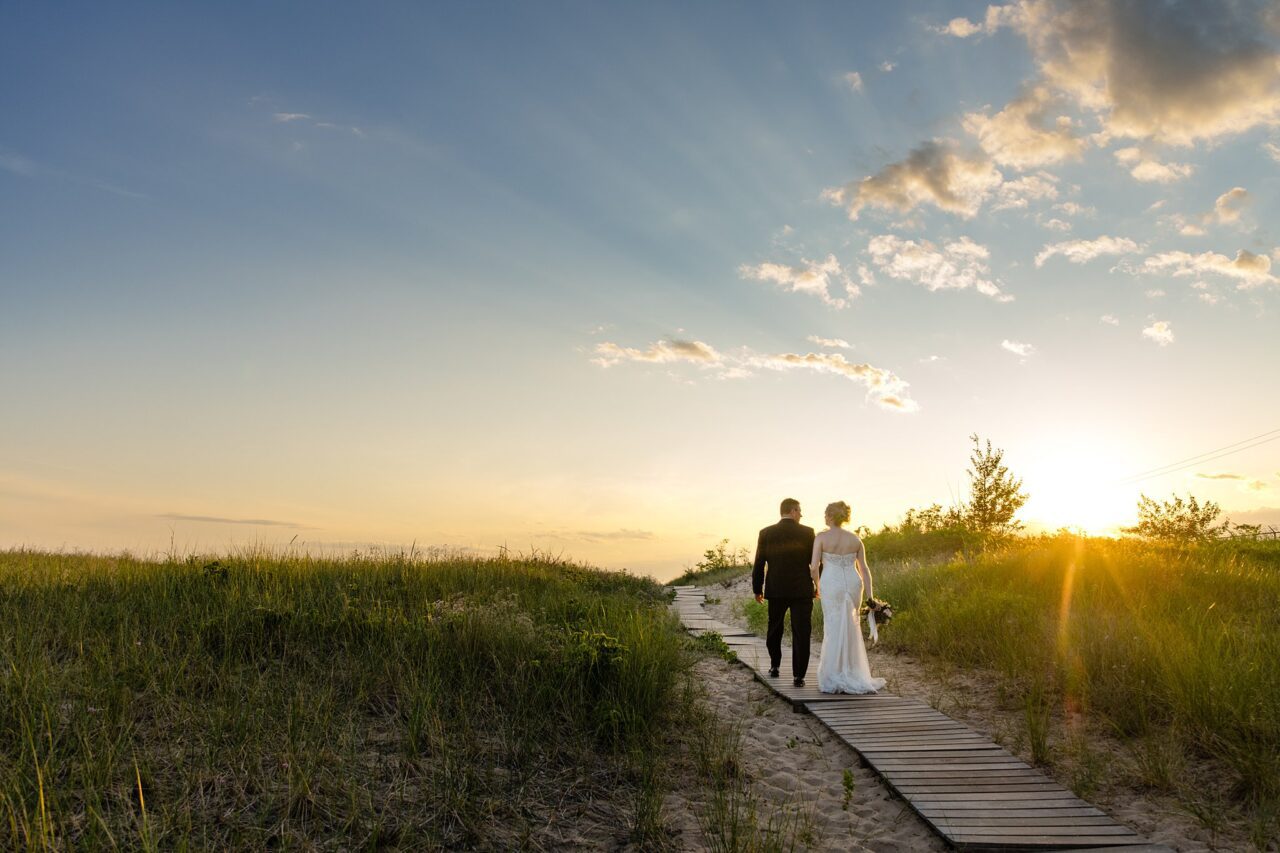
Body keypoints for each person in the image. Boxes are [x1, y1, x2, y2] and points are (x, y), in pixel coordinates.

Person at [812, 501, 885, 694]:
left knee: (833, 625)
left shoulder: (821, 537)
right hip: (854, 583)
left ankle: (834, 673)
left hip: (831, 583)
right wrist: (870, 597)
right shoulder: (855, 539)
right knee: (851, 626)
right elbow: (865, 569)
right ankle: (853, 672)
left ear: (829, 516)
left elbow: (813, 567)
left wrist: (816, 586)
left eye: (825, 514)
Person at [752, 498, 816, 686]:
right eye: (800, 511)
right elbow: (815, 563)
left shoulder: (766, 533)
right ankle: (799, 675)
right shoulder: (807, 533)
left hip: (776, 589)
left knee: (774, 629)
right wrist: (818, 585)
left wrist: (758, 588)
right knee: (801, 632)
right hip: (802, 590)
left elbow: (759, 563)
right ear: (793, 510)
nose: (801, 515)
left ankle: (775, 666)